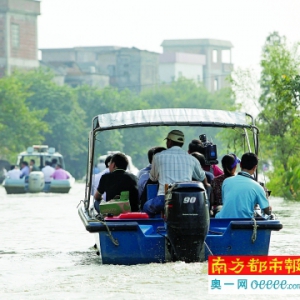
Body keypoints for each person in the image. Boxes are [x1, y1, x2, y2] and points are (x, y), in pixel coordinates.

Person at [143, 130, 208, 217]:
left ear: (169, 141)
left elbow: (153, 178)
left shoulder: (158, 157)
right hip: (186, 200)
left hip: (164, 199)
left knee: (146, 207)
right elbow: (202, 177)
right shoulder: (192, 159)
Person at [215, 152, 272, 219]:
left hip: (223, 220)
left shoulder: (226, 182)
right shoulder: (258, 187)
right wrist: (267, 199)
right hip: (244, 222)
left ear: (240, 165)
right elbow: (267, 211)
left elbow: (226, 202)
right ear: (255, 167)